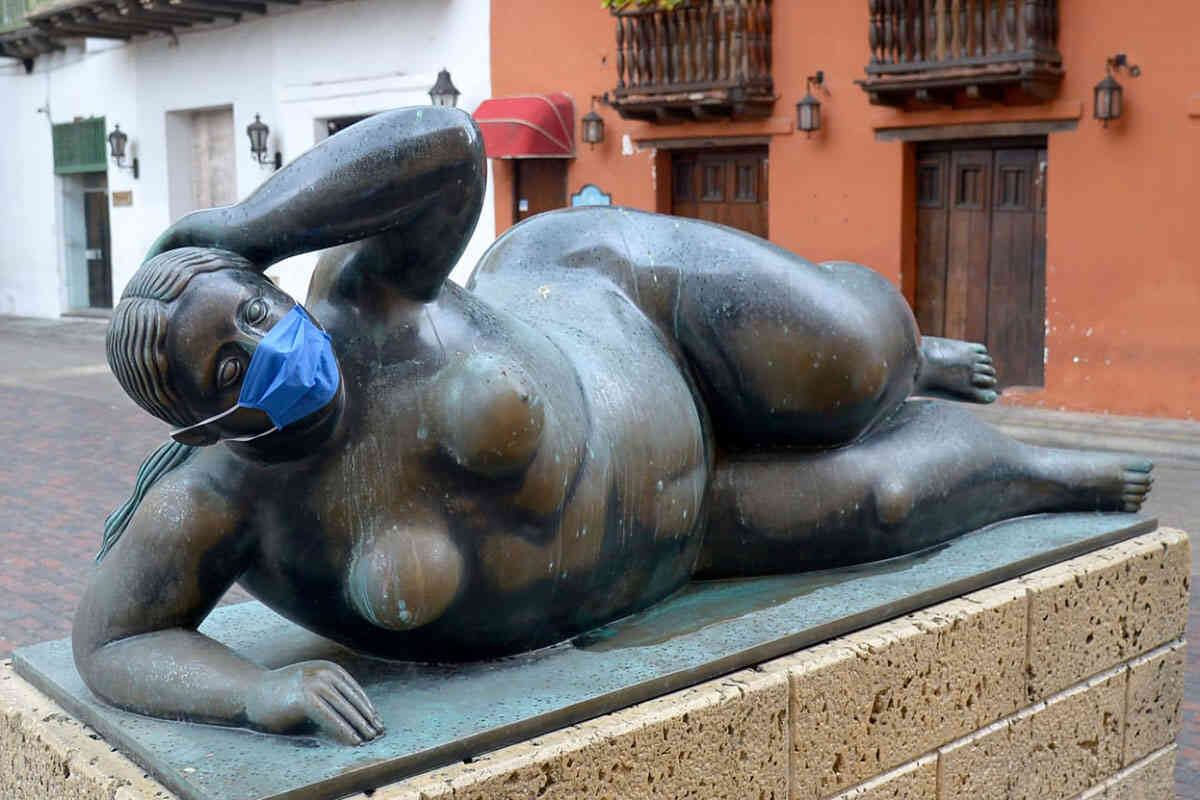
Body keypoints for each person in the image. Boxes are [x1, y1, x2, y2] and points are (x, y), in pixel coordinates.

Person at [75, 107, 1153, 746]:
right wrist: (255, 691)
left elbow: (445, 145)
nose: (270, 345)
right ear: (200, 418)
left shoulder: (370, 298)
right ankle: (1042, 471)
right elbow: (110, 639)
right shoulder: (223, 500)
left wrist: (233, 228)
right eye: (230, 365)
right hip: (680, 538)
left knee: (854, 363)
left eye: (255, 311)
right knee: (889, 497)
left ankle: (916, 355)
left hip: (625, 304)